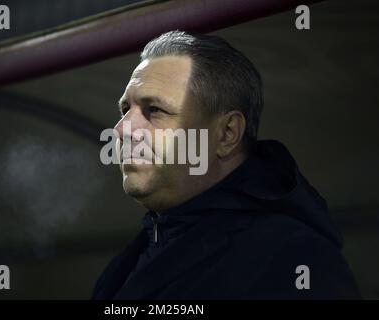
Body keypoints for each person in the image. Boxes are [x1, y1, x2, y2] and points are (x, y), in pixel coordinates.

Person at [91, 30, 361, 299]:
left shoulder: (293, 259)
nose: (122, 128)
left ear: (227, 134)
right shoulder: (131, 260)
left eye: (155, 110)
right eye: (126, 110)